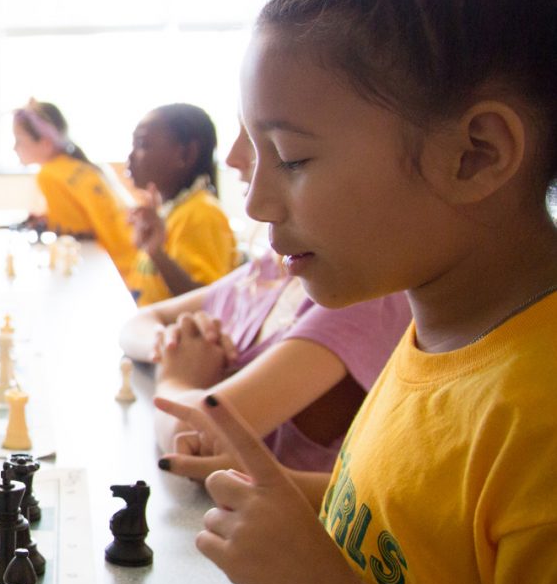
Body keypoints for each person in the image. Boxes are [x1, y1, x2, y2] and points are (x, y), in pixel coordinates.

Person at [156, 0, 557, 584]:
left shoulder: (542, 412)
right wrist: (297, 499)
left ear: (476, 154)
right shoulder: (439, 328)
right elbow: (428, 541)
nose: (258, 201)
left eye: (293, 159)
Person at [120, 127, 410, 476]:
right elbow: (139, 323)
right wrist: (174, 344)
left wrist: (175, 378)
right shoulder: (273, 270)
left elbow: (195, 436)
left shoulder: (364, 296)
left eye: (287, 152)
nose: (232, 158)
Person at [122, 103, 237, 305]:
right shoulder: (169, 211)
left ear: (186, 154)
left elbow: (208, 303)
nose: (130, 156)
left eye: (142, 144)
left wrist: (157, 253)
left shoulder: (201, 214)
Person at [11, 97, 136, 277]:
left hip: (117, 270)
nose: (14, 148)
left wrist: (48, 226)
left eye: (19, 140)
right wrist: (48, 218)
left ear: (46, 143)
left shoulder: (49, 175)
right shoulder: (78, 166)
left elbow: (73, 235)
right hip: (132, 257)